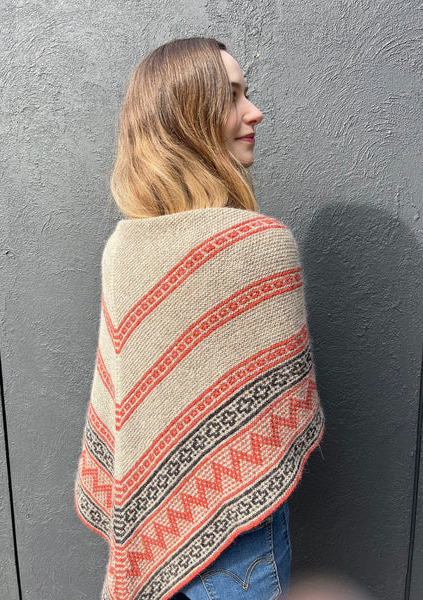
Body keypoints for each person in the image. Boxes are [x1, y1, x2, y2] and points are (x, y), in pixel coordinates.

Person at [74, 37, 324, 600]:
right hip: (242, 551)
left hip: (190, 534)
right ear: (189, 116)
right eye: (232, 96)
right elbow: (274, 415)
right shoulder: (261, 244)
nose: (254, 112)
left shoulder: (122, 247)